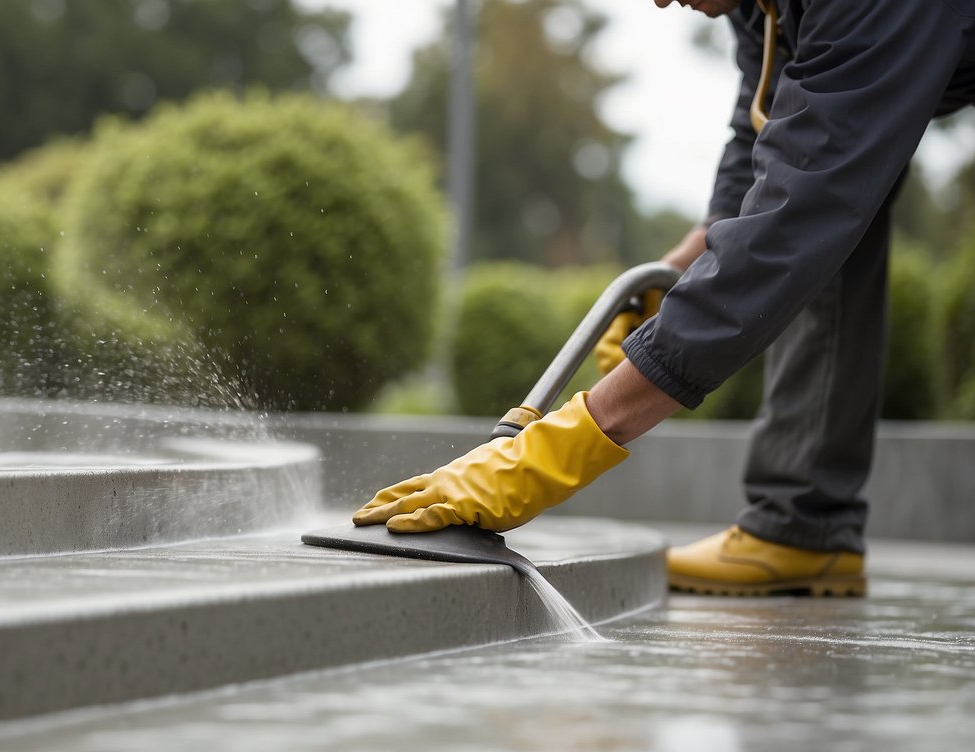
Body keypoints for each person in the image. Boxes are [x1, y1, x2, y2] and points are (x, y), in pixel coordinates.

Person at [353, 0, 975, 597]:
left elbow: (800, 213)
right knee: (827, 211)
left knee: (820, 218)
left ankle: (805, 521)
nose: (657, 2)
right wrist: (685, 265)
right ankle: (803, 526)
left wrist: (555, 452)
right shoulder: (762, 7)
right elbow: (776, 141)